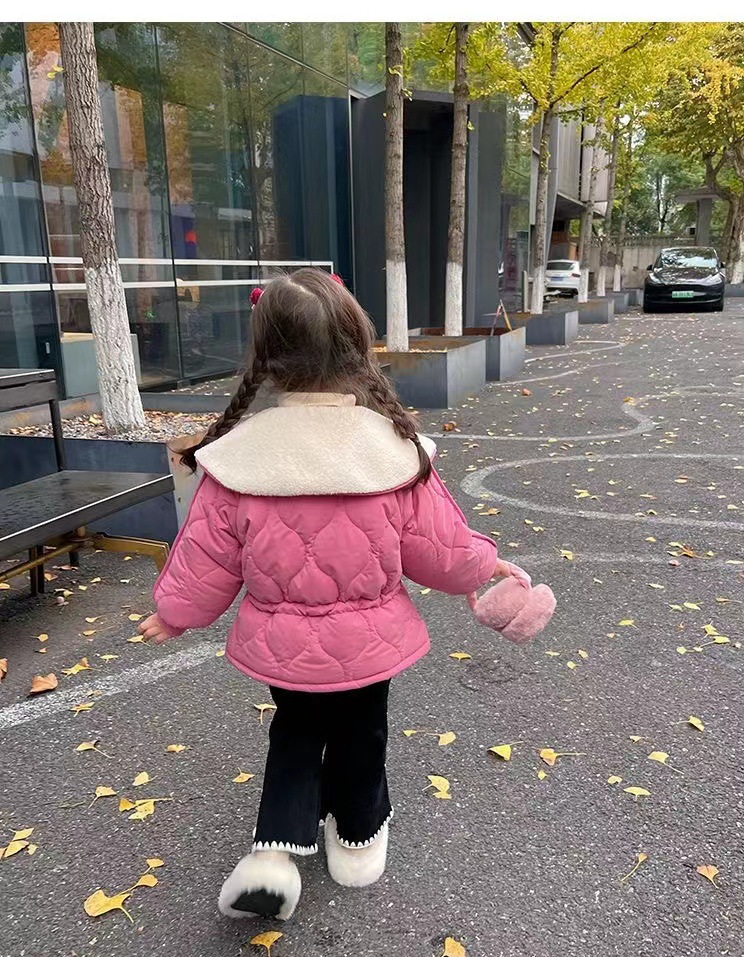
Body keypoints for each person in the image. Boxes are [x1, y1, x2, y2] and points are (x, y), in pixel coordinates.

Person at [139, 269, 509, 922]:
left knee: (296, 730)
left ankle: (274, 855)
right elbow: (442, 551)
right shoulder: (393, 451)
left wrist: (174, 613)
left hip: (282, 645)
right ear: (357, 343)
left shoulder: (238, 459)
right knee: (362, 733)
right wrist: (485, 565)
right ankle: (357, 841)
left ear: (266, 354)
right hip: (371, 642)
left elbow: (206, 557)